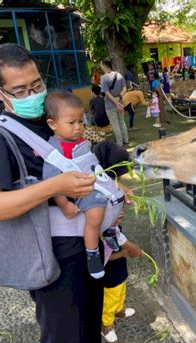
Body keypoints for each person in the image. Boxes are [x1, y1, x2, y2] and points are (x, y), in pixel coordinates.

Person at [0, 43, 104, 343]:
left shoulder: (54, 117)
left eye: (37, 85)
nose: (32, 94)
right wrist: (54, 186)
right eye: (20, 90)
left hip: (87, 249)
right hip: (51, 261)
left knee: (89, 335)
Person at [43, 91, 114, 279]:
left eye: (81, 121)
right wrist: (64, 204)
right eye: (71, 123)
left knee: (117, 201)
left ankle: (110, 232)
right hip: (81, 192)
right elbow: (51, 183)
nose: (78, 127)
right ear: (53, 124)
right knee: (96, 214)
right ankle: (92, 253)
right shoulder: (55, 152)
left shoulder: (79, 140)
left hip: (95, 181)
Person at [101, 212, 142, 343]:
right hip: (110, 275)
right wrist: (123, 253)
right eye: (115, 212)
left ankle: (119, 311)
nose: (121, 214)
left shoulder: (116, 228)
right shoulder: (103, 234)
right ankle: (106, 325)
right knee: (110, 300)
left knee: (121, 292)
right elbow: (103, 258)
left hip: (119, 271)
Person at [100, 58, 129, 147]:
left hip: (110, 105)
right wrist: (119, 97)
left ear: (104, 66)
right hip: (120, 103)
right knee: (122, 121)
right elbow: (125, 88)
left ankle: (119, 142)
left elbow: (106, 92)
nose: (100, 66)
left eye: (101, 65)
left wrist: (114, 101)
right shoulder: (119, 75)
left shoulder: (104, 78)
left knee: (115, 123)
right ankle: (126, 139)